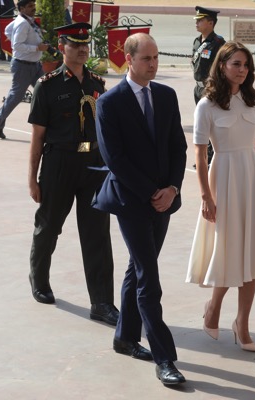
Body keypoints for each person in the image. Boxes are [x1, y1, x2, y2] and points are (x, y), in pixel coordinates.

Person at [94, 33, 188, 386]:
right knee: (149, 276)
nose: (153, 63)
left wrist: (172, 189)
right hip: (130, 201)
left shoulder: (166, 95)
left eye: (156, 57)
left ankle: (124, 336)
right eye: (146, 58)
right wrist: (152, 192)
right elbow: (114, 159)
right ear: (128, 59)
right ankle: (165, 359)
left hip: (163, 200)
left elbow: (177, 147)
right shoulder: (110, 102)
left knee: (138, 266)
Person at [186, 42, 255, 352]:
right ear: (221, 66)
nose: (242, 69)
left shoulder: (253, 101)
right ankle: (214, 306)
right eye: (235, 64)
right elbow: (201, 155)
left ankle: (242, 323)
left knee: (252, 253)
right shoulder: (207, 105)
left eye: (245, 64)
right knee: (228, 251)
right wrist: (206, 195)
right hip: (225, 178)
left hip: (251, 180)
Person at [26, 22, 118, 326]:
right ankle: (39, 278)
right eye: (75, 44)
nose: (82, 49)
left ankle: (102, 302)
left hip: (92, 166)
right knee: (49, 226)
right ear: (61, 46)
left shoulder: (96, 83)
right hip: (59, 164)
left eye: (85, 44)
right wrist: (32, 177)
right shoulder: (48, 85)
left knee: (97, 235)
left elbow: (105, 131)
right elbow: (38, 137)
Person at [0, 0, 48, 139]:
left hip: (34, 64)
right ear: (21, 8)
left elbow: (7, 30)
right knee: (16, 96)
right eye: (30, 6)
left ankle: (50, 125)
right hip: (23, 65)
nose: (33, 8)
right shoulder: (22, 23)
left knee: (46, 90)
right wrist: (36, 48)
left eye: (34, 5)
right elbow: (17, 46)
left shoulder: (26, 20)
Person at [191, 6, 225, 166]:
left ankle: (212, 158)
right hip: (198, 88)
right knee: (201, 123)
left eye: (200, 20)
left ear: (210, 23)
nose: (196, 22)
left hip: (210, 88)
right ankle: (203, 156)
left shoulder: (218, 43)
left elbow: (222, 67)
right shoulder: (197, 41)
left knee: (212, 123)